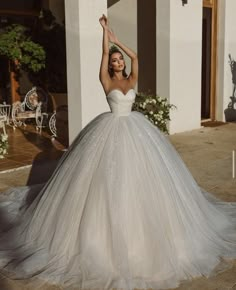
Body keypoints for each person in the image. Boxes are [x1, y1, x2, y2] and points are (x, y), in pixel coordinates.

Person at [0, 13, 236, 290]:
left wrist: (118, 41)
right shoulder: (107, 81)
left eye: (118, 60)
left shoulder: (131, 76)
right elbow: (102, 54)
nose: (117, 62)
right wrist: (104, 34)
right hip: (109, 130)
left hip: (137, 132)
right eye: (114, 60)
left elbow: (136, 58)